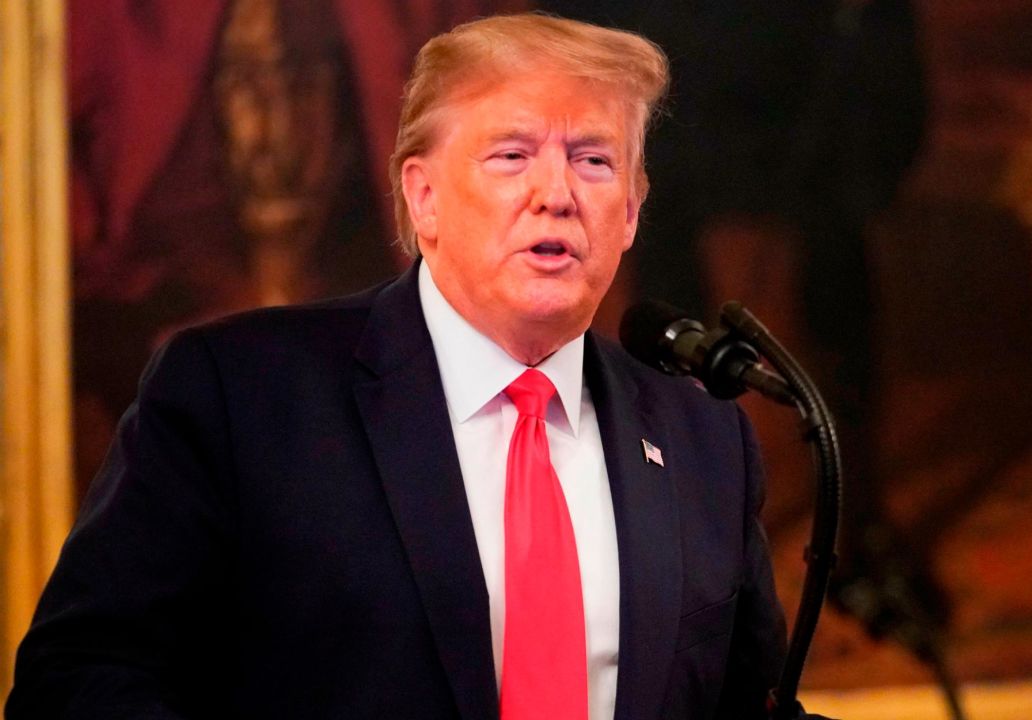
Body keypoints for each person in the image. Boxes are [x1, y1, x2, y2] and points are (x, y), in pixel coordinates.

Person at [7, 14, 797, 720]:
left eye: (594, 160)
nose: (555, 193)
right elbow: (76, 680)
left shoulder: (703, 443)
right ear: (422, 198)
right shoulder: (237, 396)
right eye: (512, 155)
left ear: (629, 211)